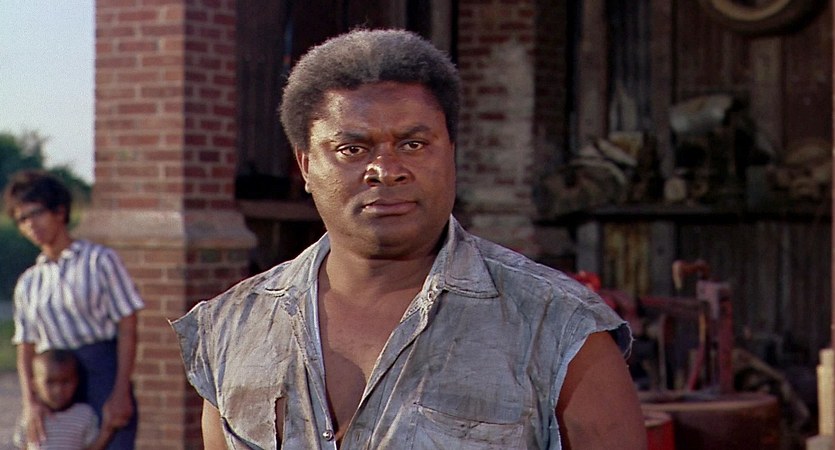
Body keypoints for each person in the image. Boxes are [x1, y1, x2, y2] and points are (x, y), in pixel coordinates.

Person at [173, 29, 646, 449]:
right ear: (305, 166)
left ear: (451, 152)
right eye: (352, 149)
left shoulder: (559, 326)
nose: (386, 170)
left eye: (413, 144)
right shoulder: (231, 328)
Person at [4, 170, 144, 449]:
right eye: (22, 219)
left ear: (59, 211)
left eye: (36, 213)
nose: (31, 224)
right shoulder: (30, 282)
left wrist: (120, 391)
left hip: (101, 374)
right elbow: (26, 348)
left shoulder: (100, 261)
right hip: (54, 382)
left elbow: (128, 327)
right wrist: (31, 402)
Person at [14, 350, 116, 450]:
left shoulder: (84, 414)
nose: (58, 390)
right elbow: (23, 447)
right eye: (50, 382)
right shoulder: (32, 417)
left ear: (76, 382)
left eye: (65, 382)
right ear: (35, 385)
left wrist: (107, 430)